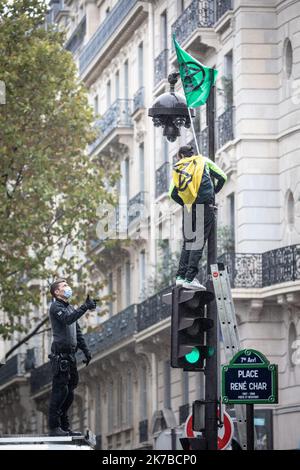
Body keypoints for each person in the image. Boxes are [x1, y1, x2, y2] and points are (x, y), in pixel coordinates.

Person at [169, 144, 227, 289]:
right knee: (198, 242)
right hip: (204, 205)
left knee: (188, 242)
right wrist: (214, 193)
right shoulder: (203, 161)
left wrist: (185, 203)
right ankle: (190, 279)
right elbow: (223, 177)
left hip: (188, 207)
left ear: (181, 156)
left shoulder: (179, 168)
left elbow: (172, 193)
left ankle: (181, 277)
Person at [48, 278, 97, 436]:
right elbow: (68, 320)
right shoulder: (56, 307)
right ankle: (54, 427)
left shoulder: (69, 308)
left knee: (69, 392)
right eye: (64, 286)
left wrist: (86, 351)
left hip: (70, 356)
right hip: (60, 356)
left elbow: (77, 333)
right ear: (57, 292)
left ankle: (64, 426)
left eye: (67, 285)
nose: (68, 288)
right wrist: (85, 307)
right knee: (60, 391)